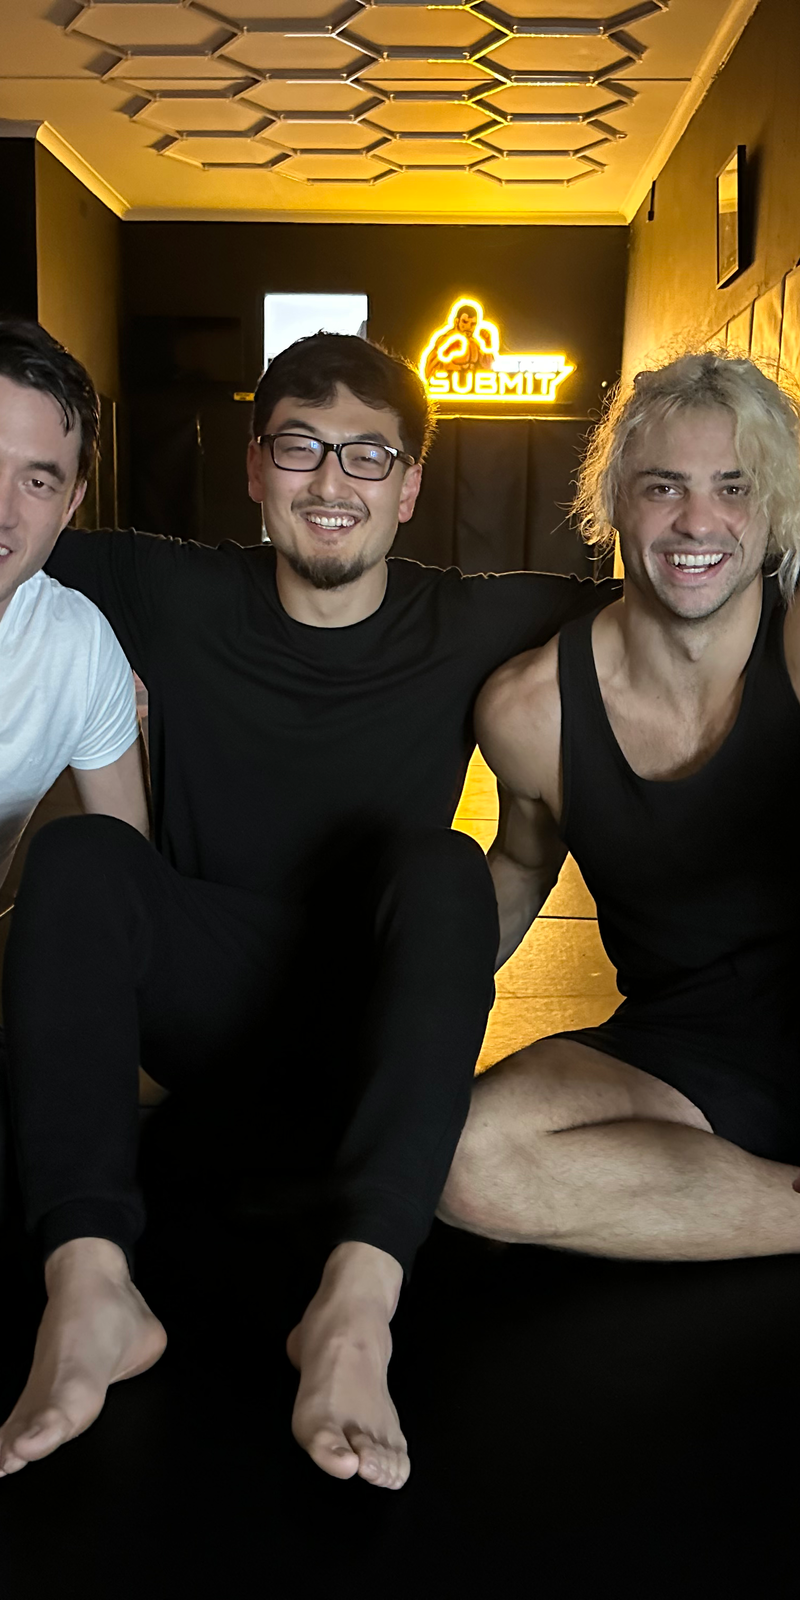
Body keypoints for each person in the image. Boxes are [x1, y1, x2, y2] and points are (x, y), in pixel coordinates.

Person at [0, 325, 616, 1489]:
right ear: (253, 468)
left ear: (410, 486)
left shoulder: (473, 616)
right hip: (199, 1003)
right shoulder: (169, 586)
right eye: (299, 448)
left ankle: (353, 1306)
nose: (330, 482)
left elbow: (684, 579)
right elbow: (16, 521)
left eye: (366, 456)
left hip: (368, 1021)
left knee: (443, 864)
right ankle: (88, 1290)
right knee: (82, 854)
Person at [441, 349, 800, 1266]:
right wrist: (402, 997)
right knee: (463, 1161)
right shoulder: (531, 711)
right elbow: (520, 867)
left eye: (735, 488)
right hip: (683, 1054)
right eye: (664, 486)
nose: (699, 521)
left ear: (775, 514)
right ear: (613, 502)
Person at [0, 319, 147, 1218]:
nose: (3, 508)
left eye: (37, 478)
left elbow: (121, 877)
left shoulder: (76, 642)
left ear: (72, 501)